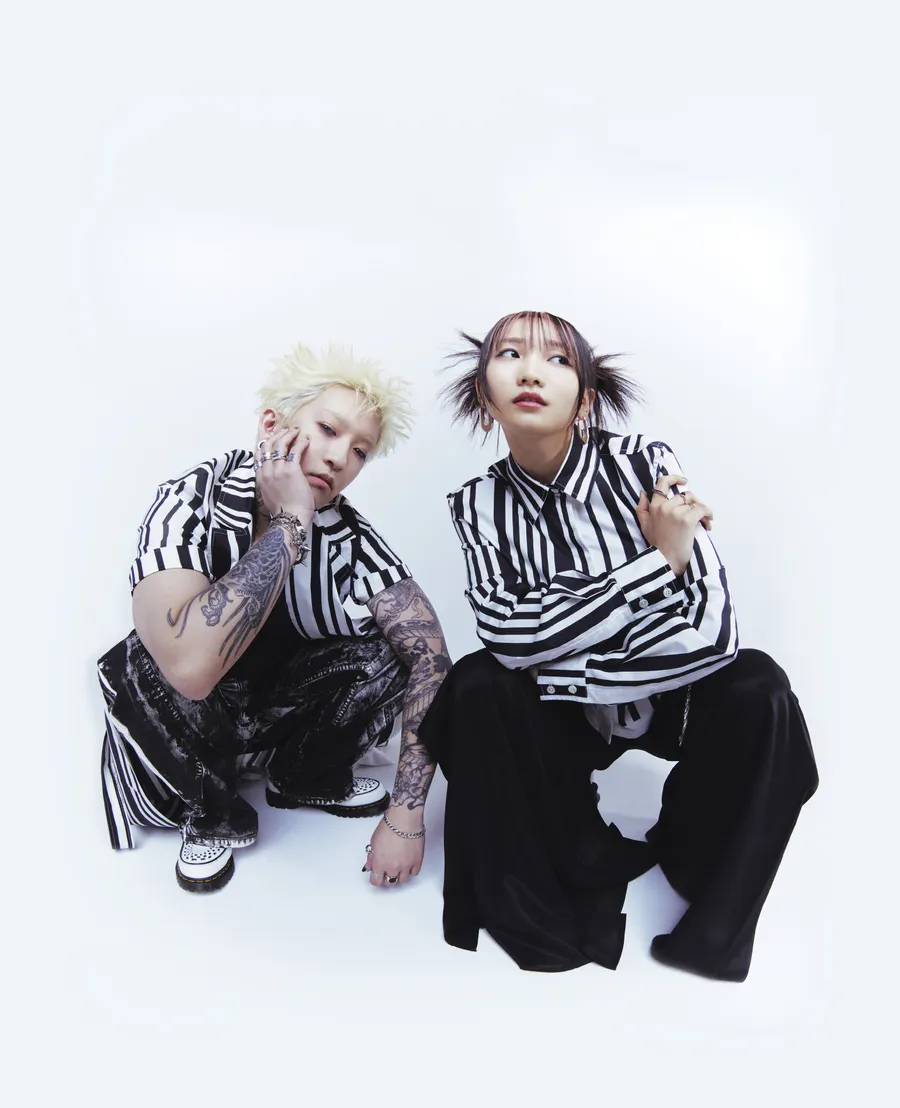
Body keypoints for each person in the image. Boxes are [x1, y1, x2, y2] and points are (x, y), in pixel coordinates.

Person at [421, 310, 818, 980]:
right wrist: (655, 565)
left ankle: (707, 902)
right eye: (510, 355)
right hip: (564, 726)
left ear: (586, 400)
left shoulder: (646, 464)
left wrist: (562, 660)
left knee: (763, 685)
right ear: (484, 396)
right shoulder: (476, 504)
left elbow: (714, 633)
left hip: (671, 704)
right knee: (477, 681)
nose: (530, 372)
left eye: (557, 360)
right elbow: (508, 637)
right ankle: (554, 865)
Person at [99, 343, 449, 893]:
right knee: (144, 655)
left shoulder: (350, 535)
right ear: (272, 426)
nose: (340, 458)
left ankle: (300, 776)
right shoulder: (191, 500)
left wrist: (406, 817)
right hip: (182, 722)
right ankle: (211, 810)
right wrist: (290, 521)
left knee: (390, 651)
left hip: (268, 713)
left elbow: (432, 661)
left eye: (360, 451)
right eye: (328, 429)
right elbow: (188, 669)